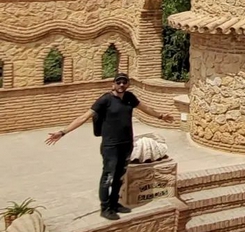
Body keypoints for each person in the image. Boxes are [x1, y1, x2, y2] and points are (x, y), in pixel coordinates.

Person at [46, 73, 175, 221]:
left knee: (119, 176)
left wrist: (160, 116)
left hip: (126, 144)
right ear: (113, 84)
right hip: (110, 146)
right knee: (108, 176)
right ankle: (105, 208)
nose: (121, 85)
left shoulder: (129, 98)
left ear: (128, 85)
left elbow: (144, 108)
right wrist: (63, 132)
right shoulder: (105, 100)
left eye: (124, 82)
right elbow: (84, 117)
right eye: (118, 82)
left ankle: (115, 203)